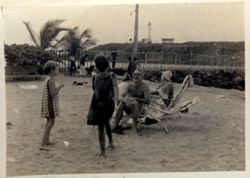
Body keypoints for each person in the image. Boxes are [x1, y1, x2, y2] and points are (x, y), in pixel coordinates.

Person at [87, 54, 118, 157]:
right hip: (110, 105)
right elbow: (115, 90)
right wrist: (116, 101)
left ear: (97, 67)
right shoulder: (112, 75)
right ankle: (111, 143)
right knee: (106, 122)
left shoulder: (95, 77)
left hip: (99, 105)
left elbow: (95, 90)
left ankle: (103, 152)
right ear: (107, 65)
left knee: (101, 127)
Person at [112, 68, 150, 136]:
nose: (136, 76)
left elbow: (148, 101)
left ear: (142, 77)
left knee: (135, 103)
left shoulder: (145, 87)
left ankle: (135, 125)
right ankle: (115, 125)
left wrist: (136, 99)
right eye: (134, 74)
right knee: (122, 103)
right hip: (129, 106)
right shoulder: (130, 85)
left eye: (138, 75)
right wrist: (126, 101)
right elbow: (120, 96)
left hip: (140, 109)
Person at [41, 60, 64, 147]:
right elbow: (53, 93)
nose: (58, 71)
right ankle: (44, 141)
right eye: (57, 69)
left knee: (49, 122)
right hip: (50, 104)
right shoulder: (51, 81)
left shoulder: (48, 79)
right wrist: (60, 87)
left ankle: (46, 140)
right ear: (51, 70)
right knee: (51, 122)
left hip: (47, 104)